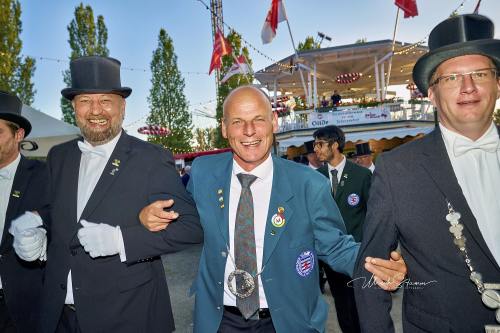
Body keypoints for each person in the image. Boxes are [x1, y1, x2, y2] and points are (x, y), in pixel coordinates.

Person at [140, 86, 407, 333]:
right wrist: (147, 217)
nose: (249, 131)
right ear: (224, 128)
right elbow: (183, 223)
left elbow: (335, 246)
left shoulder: (309, 183)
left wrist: (377, 264)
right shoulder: (203, 172)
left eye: (258, 119)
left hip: (286, 321)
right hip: (220, 320)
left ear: (274, 122)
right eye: (237, 122)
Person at [11, 56, 203, 333]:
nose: (95, 110)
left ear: (122, 107)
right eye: (85, 101)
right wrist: (37, 232)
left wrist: (121, 240)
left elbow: (191, 227)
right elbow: (61, 215)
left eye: (105, 100)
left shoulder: (150, 158)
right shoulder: (58, 156)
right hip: (58, 316)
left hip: (126, 316)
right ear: (74, 108)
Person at [354, 14, 500, 332]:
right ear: (431, 95)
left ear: (498, 82)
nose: (468, 87)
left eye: (480, 73)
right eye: (451, 78)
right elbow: (370, 274)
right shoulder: (396, 171)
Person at [313, 125, 372, 333]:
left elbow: (373, 214)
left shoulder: (362, 175)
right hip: (330, 258)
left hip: (358, 254)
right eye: (315, 144)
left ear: (335, 144)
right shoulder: (315, 178)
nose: (316, 149)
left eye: (320, 144)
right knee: (343, 310)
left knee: (363, 308)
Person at [0, 91, 48, 333]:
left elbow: (57, 219)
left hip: (23, 305)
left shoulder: (43, 175)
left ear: (18, 134)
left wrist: (43, 236)